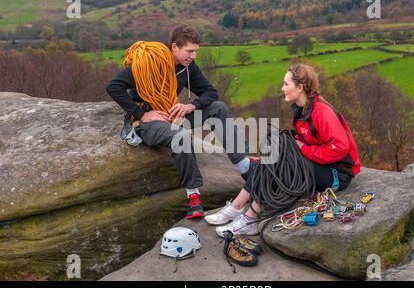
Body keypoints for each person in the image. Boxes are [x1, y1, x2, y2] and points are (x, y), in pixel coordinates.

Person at [106, 25, 258, 219]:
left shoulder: (187, 68)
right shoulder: (148, 63)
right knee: (181, 136)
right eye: (190, 51)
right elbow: (113, 86)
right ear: (175, 47)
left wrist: (191, 106)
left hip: (173, 114)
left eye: (196, 51)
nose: (193, 56)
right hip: (148, 123)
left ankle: (244, 166)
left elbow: (210, 92)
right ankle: (193, 196)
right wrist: (141, 114)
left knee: (218, 108)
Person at [205, 63, 361, 237]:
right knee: (272, 157)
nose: (282, 88)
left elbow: (339, 148)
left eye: (286, 84)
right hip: (321, 166)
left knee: (278, 166)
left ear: (300, 87)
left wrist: (303, 149)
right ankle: (236, 208)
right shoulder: (302, 110)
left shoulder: (321, 112)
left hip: (338, 174)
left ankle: (250, 218)